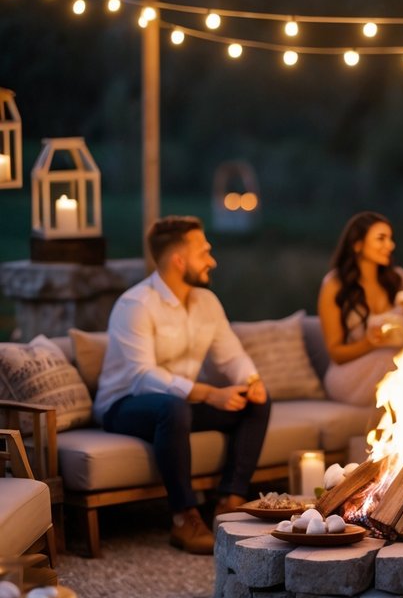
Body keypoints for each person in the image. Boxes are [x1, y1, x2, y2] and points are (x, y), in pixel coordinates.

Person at [93, 216, 271, 555]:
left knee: (256, 402)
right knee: (172, 407)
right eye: (204, 252)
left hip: (179, 405)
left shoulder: (207, 302)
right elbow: (143, 376)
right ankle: (183, 517)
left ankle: (229, 503)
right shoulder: (135, 305)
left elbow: (230, 355)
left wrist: (251, 380)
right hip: (125, 404)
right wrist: (208, 394)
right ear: (179, 260)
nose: (212, 260)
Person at [318, 211, 403, 407]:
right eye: (381, 238)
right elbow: (336, 353)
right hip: (350, 372)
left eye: (390, 238)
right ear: (357, 244)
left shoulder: (399, 280)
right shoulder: (334, 285)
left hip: (394, 363)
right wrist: (370, 343)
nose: (390, 245)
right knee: (396, 365)